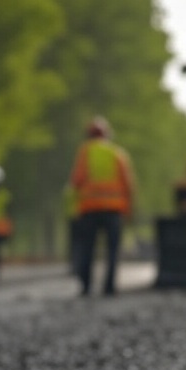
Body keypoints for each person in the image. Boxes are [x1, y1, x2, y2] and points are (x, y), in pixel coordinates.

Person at [68, 116, 135, 296]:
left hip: (89, 209)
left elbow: (76, 181)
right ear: (107, 135)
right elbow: (129, 185)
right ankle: (109, 286)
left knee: (87, 248)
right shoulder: (117, 153)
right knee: (112, 249)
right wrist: (129, 211)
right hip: (113, 210)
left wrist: (73, 209)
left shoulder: (85, 152)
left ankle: (86, 286)